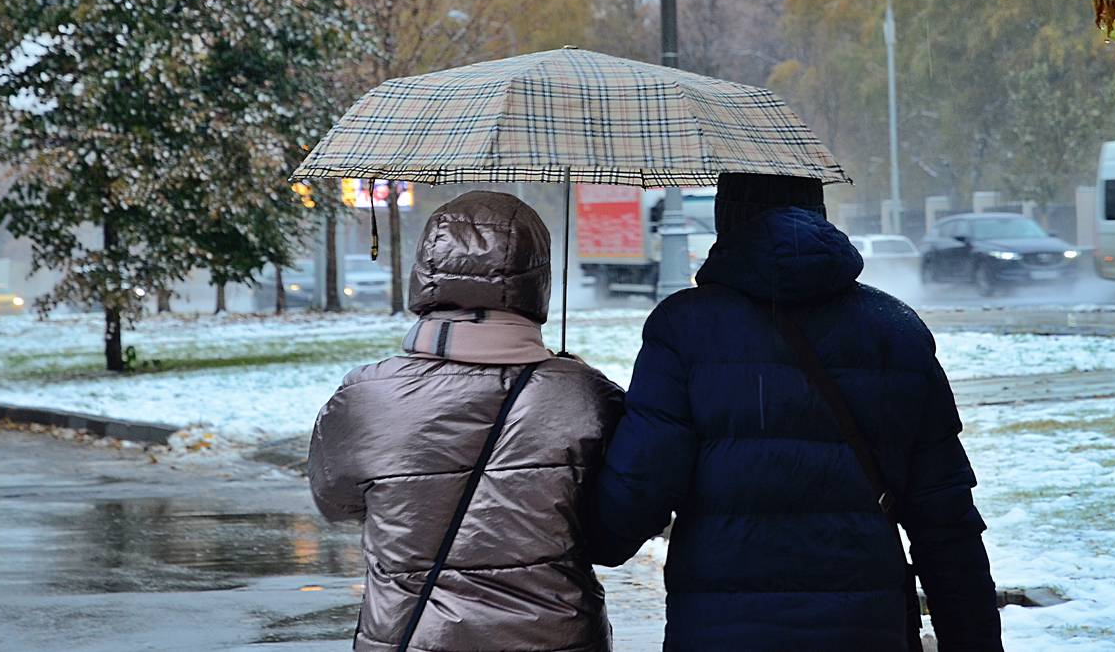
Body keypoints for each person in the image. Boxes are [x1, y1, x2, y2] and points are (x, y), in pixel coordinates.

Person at [588, 173, 1003, 651]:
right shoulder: (896, 330)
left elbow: (632, 504)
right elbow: (947, 524)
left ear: (727, 219)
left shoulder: (684, 328)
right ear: (819, 211)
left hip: (723, 633)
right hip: (866, 630)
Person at [308, 191, 623, 652]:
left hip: (414, 634)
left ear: (426, 274)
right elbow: (618, 515)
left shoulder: (364, 397)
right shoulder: (586, 394)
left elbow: (336, 501)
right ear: (536, 280)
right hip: (555, 636)